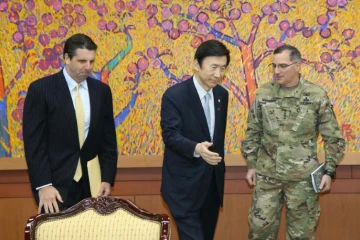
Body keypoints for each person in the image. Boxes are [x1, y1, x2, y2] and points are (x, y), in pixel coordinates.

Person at [241, 44, 345, 239]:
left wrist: (329, 171)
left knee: (301, 235)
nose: (277, 71)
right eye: (274, 66)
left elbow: (333, 138)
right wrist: (251, 165)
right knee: (259, 231)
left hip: (302, 180)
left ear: (297, 65)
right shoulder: (264, 93)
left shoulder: (315, 95)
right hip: (267, 176)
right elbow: (253, 131)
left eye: (283, 66)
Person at [23, 33, 117, 214]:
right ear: (66, 58)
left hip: (92, 186)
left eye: (91, 61)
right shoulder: (41, 90)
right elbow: (34, 143)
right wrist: (43, 185)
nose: (88, 67)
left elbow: (108, 140)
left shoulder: (101, 91)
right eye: (82, 61)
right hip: (55, 187)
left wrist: (107, 178)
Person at [160, 40, 230, 240]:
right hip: (183, 187)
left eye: (223, 68)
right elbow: (170, 135)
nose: (218, 74)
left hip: (211, 186)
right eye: (213, 67)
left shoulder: (221, 95)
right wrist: (196, 148)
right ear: (197, 65)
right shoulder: (175, 95)